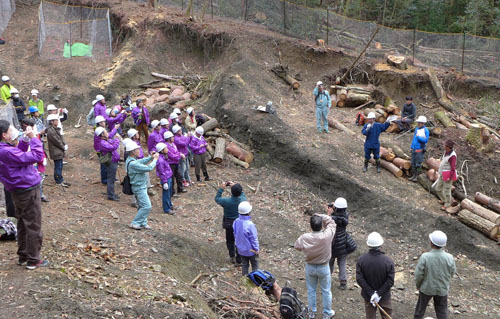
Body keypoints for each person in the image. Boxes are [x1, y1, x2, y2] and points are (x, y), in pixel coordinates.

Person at [0, 120, 48, 269]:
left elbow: (17, 156)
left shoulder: (4, 149)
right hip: (27, 190)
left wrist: (25, 141)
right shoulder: (6, 151)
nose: (13, 131)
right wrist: (34, 138)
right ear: (4, 135)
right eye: (10, 130)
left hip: (17, 190)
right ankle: (33, 259)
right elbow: (36, 156)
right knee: (33, 224)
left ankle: (23, 255)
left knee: (22, 223)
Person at [294, 209, 336, 319]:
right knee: (326, 291)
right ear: (321, 225)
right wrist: (321, 215)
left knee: (311, 290)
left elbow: (297, 246)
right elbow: (332, 222)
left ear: (310, 225)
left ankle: (312, 312)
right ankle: (327, 313)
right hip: (324, 267)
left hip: (310, 267)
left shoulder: (305, 237)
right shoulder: (327, 236)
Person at [413, 231, 456, 319]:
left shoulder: (425, 257)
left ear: (431, 243)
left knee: (420, 310)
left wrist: (418, 285)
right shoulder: (450, 257)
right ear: (444, 245)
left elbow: (418, 274)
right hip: (442, 289)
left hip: (426, 288)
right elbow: (452, 272)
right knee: (442, 311)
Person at [356, 232, 395, 319]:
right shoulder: (388, 261)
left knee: (370, 316)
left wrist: (371, 293)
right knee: (387, 315)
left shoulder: (361, 260)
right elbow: (390, 281)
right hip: (384, 296)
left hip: (368, 296)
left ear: (368, 245)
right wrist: (379, 294)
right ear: (381, 245)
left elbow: (359, 278)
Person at [126, 142, 159, 230]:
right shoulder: (133, 164)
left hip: (140, 186)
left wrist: (150, 157)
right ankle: (135, 222)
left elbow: (141, 161)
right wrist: (155, 160)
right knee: (147, 206)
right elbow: (149, 168)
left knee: (141, 205)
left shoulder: (131, 160)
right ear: (133, 151)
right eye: (137, 149)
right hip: (139, 187)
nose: (139, 151)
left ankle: (143, 222)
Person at [215, 181, 247, 265]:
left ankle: (232, 256)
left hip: (229, 223)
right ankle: (239, 259)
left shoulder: (226, 201)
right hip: (239, 224)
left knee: (230, 240)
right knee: (239, 241)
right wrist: (236, 187)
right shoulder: (242, 200)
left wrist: (221, 189)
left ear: (231, 192)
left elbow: (217, 198)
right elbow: (242, 194)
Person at [329, 197, 356, 290]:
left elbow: (327, 221)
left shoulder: (332, 218)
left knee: (330, 262)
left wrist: (331, 212)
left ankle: (327, 279)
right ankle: (343, 282)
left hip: (332, 244)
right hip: (343, 243)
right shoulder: (345, 217)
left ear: (335, 208)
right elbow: (340, 215)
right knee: (342, 263)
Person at [233, 201, 260, 276]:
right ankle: (256, 279)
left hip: (240, 249)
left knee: (245, 265)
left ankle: (245, 279)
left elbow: (235, 233)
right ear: (249, 212)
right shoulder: (250, 224)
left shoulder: (236, 221)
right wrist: (256, 249)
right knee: (255, 265)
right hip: (251, 250)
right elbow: (254, 238)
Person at [95, 125, 121, 201]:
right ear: (102, 134)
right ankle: (111, 195)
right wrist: (117, 140)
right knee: (111, 179)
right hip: (111, 162)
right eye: (106, 132)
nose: (107, 133)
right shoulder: (103, 143)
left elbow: (112, 143)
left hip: (113, 160)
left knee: (111, 178)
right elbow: (112, 147)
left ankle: (111, 193)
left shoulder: (106, 140)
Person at [46, 114, 70, 187]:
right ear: (52, 122)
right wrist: (63, 147)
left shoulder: (55, 129)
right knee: (58, 166)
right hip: (56, 151)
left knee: (60, 166)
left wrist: (64, 144)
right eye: (56, 120)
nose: (57, 121)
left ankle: (60, 179)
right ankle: (58, 180)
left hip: (58, 150)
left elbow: (60, 139)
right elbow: (57, 141)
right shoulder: (51, 131)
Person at [435, 140, 457, 211]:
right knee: (438, 189)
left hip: (448, 175)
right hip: (442, 173)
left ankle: (447, 204)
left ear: (448, 147)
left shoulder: (453, 156)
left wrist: (449, 177)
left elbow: (453, 168)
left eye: (444, 145)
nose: (443, 146)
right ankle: (444, 200)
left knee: (447, 191)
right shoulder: (446, 152)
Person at [155, 143, 174, 215]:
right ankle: (166, 209)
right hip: (166, 178)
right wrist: (164, 181)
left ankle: (170, 205)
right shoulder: (160, 160)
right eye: (166, 148)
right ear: (162, 150)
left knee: (169, 193)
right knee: (166, 194)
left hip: (168, 176)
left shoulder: (164, 157)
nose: (167, 149)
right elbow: (161, 171)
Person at [409, 116, 430, 182]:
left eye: (419, 123)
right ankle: (413, 175)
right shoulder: (417, 129)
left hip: (420, 150)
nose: (418, 124)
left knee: (418, 164)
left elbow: (425, 140)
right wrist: (411, 147)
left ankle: (418, 176)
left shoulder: (426, 130)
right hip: (414, 149)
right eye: (418, 122)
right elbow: (414, 139)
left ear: (423, 123)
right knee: (413, 163)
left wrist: (419, 137)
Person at [94, 116, 108, 185]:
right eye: (102, 122)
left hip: (101, 149)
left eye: (104, 122)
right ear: (99, 123)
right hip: (100, 150)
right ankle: (104, 180)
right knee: (104, 164)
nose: (104, 123)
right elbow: (107, 137)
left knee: (106, 164)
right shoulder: (99, 131)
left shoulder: (101, 129)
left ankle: (106, 177)